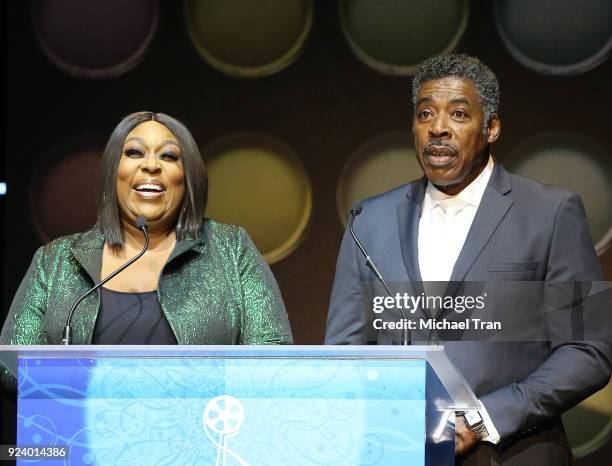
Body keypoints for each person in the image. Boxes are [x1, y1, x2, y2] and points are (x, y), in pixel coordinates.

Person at [325, 55, 611, 465]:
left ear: (491, 127)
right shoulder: (368, 221)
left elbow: (589, 350)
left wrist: (481, 419)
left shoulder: (551, 213)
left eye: (458, 113)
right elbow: (345, 355)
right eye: (425, 113)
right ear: (413, 126)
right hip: (398, 451)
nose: (438, 127)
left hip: (512, 452)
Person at [1, 111, 292, 384]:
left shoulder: (231, 248)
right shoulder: (56, 261)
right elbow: (10, 367)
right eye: (134, 152)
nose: (151, 165)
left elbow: (271, 359)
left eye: (169, 156)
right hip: (81, 433)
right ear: (113, 173)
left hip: (204, 432)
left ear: (187, 179)